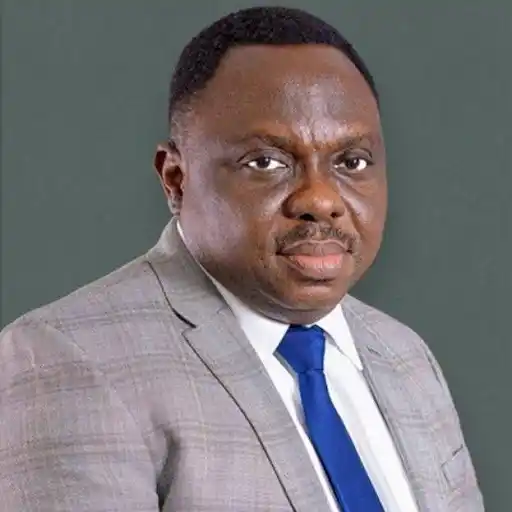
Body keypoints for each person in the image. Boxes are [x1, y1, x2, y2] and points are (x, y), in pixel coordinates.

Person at [0, 6, 484, 512]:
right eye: (266, 162)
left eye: (351, 161)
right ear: (176, 179)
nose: (321, 199)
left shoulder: (406, 358)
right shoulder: (66, 361)